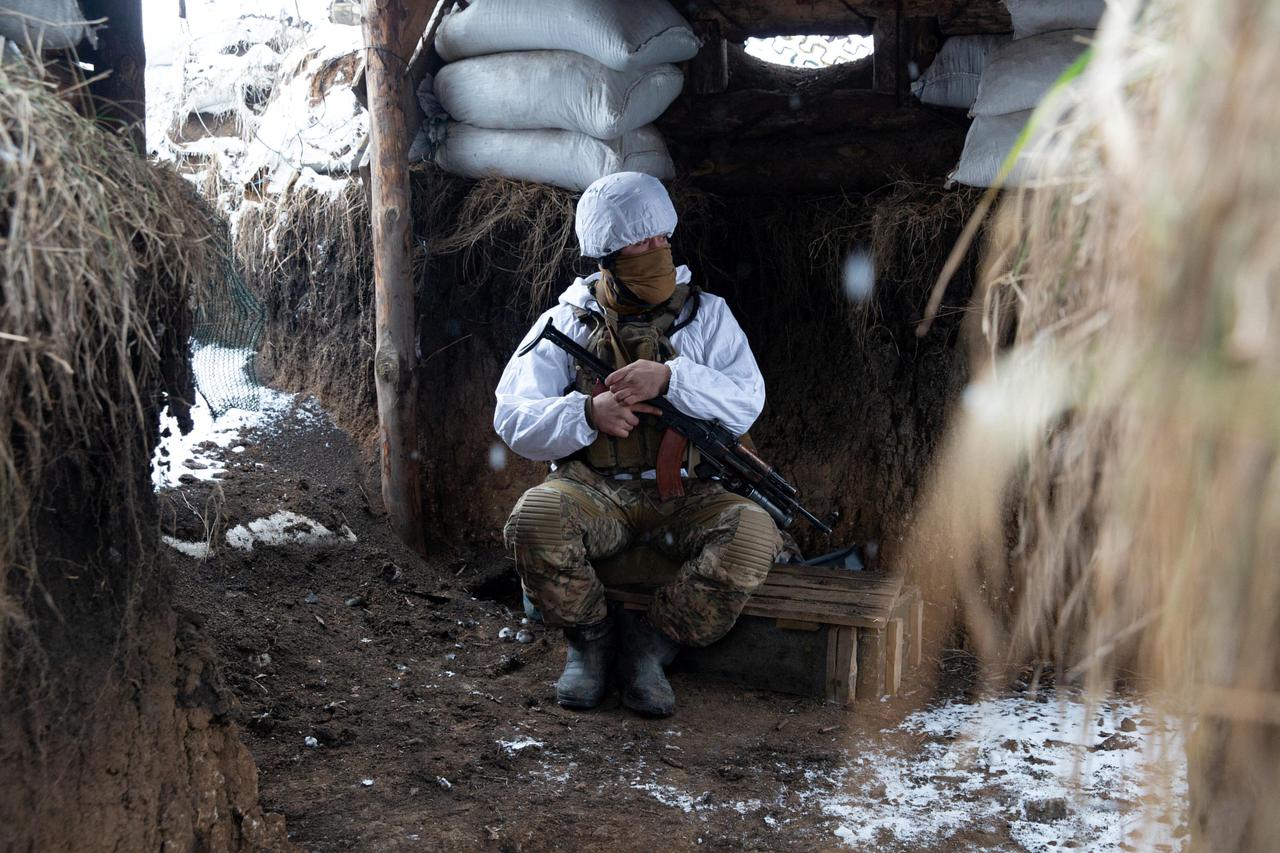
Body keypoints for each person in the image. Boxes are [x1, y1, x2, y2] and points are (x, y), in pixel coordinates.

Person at [493, 172, 782, 717]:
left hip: (686, 495)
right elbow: (512, 415)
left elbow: (748, 400)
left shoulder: (706, 315)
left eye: (662, 238)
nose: (657, 250)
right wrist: (586, 413)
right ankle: (591, 640)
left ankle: (653, 645)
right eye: (640, 241)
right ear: (606, 254)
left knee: (752, 534)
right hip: (594, 493)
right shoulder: (568, 321)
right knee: (535, 517)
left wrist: (674, 380)